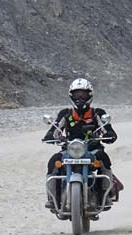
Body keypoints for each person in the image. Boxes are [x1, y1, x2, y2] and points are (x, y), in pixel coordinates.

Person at [43, 78, 120, 210]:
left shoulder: (97, 113)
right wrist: (51, 136)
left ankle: (104, 196)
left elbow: (108, 130)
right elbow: (54, 130)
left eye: (83, 94)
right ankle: (53, 198)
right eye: (76, 94)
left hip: (93, 149)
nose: (79, 98)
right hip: (70, 150)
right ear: (71, 96)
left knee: (104, 159)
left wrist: (107, 134)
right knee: (53, 162)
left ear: (89, 95)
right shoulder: (66, 114)